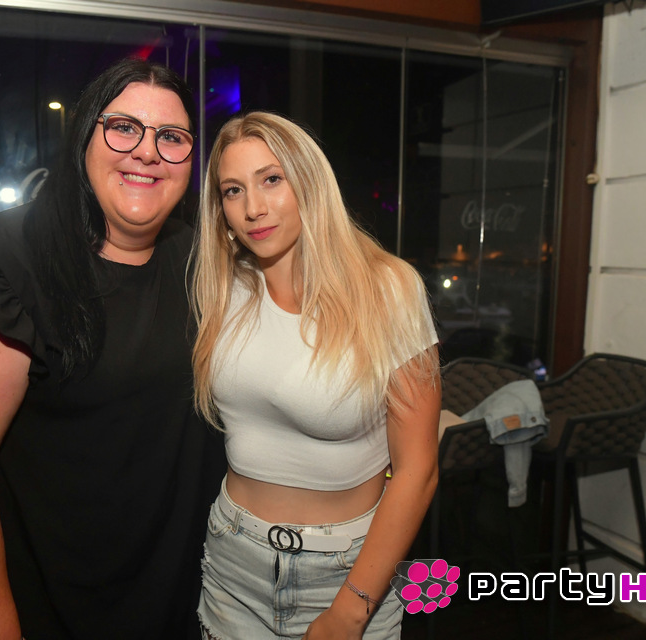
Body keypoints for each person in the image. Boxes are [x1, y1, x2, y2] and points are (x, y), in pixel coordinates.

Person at [0, 58, 225, 639]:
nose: (148, 152)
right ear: (84, 136)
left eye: (172, 137)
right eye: (124, 128)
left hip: (175, 604)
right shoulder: (2, 268)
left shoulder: (201, 262)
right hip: (44, 609)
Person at [191, 112, 441, 639]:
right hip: (233, 557)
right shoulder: (223, 287)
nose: (253, 208)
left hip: (350, 570)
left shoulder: (388, 290)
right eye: (233, 190)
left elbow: (417, 471)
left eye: (271, 179)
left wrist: (350, 611)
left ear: (310, 181)